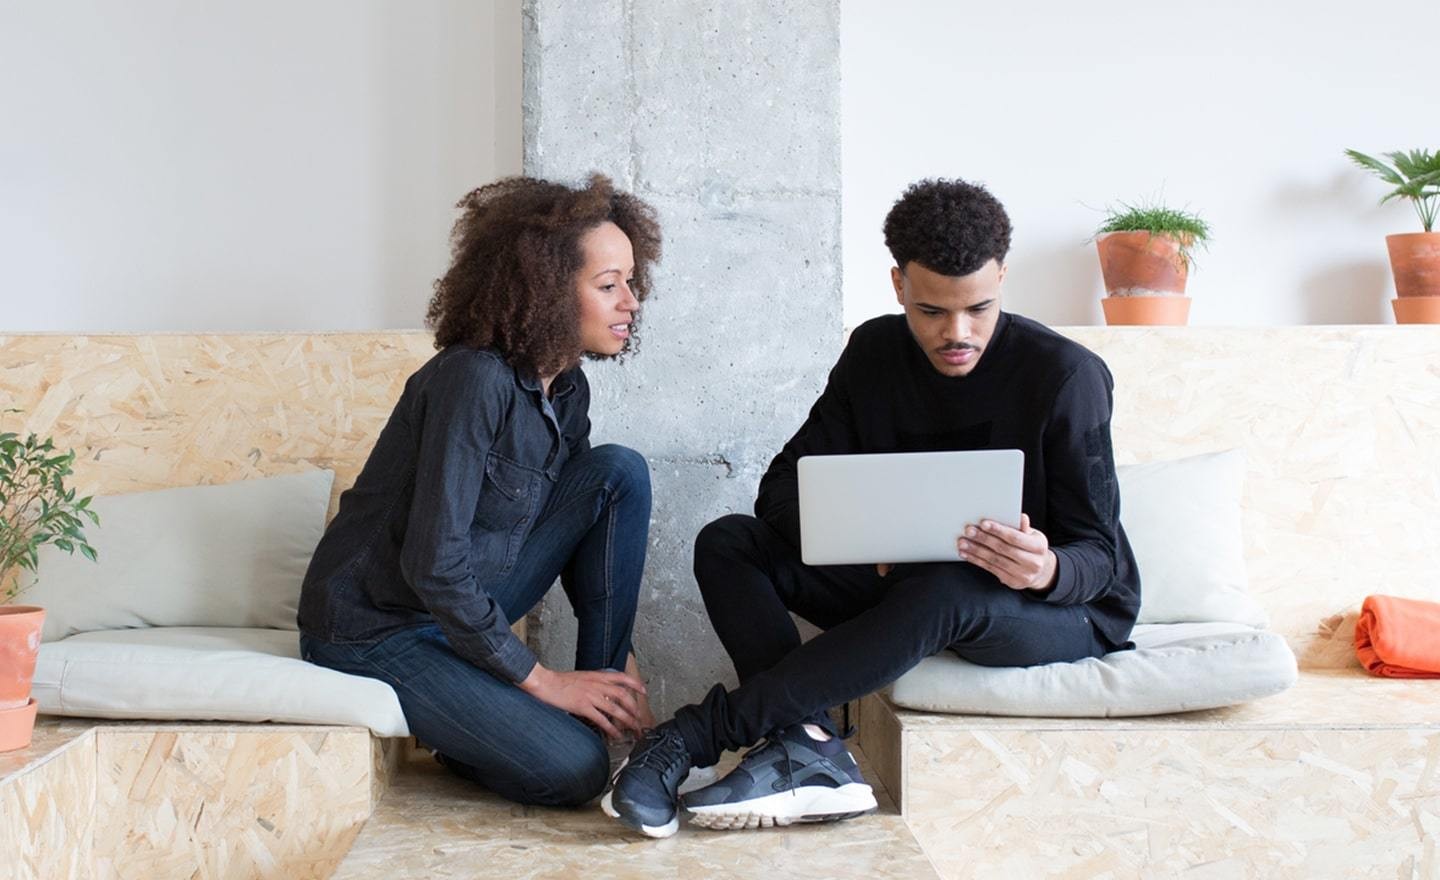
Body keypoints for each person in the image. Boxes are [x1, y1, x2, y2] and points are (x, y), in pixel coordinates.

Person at [603, 178, 1140, 837]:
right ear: (898, 286)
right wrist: (861, 534)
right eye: (932, 311)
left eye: (979, 307)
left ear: (1003, 275)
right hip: (904, 588)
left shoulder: (1066, 377)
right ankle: (811, 749)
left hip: (1058, 612)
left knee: (950, 585)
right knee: (728, 541)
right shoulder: (875, 354)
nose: (957, 333)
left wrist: (1046, 568)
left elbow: (1102, 560)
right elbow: (779, 492)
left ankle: (691, 737)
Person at [299, 174, 664, 808]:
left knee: (618, 471)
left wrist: (615, 669)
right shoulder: (473, 380)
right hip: (377, 625)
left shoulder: (568, 390)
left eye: (631, 281)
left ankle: (604, 718)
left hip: (464, 607)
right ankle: (511, 736)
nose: (630, 301)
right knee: (574, 772)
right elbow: (432, 566)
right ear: (549, 292)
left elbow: (580, 533)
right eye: (608, 286)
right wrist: (545, 682)